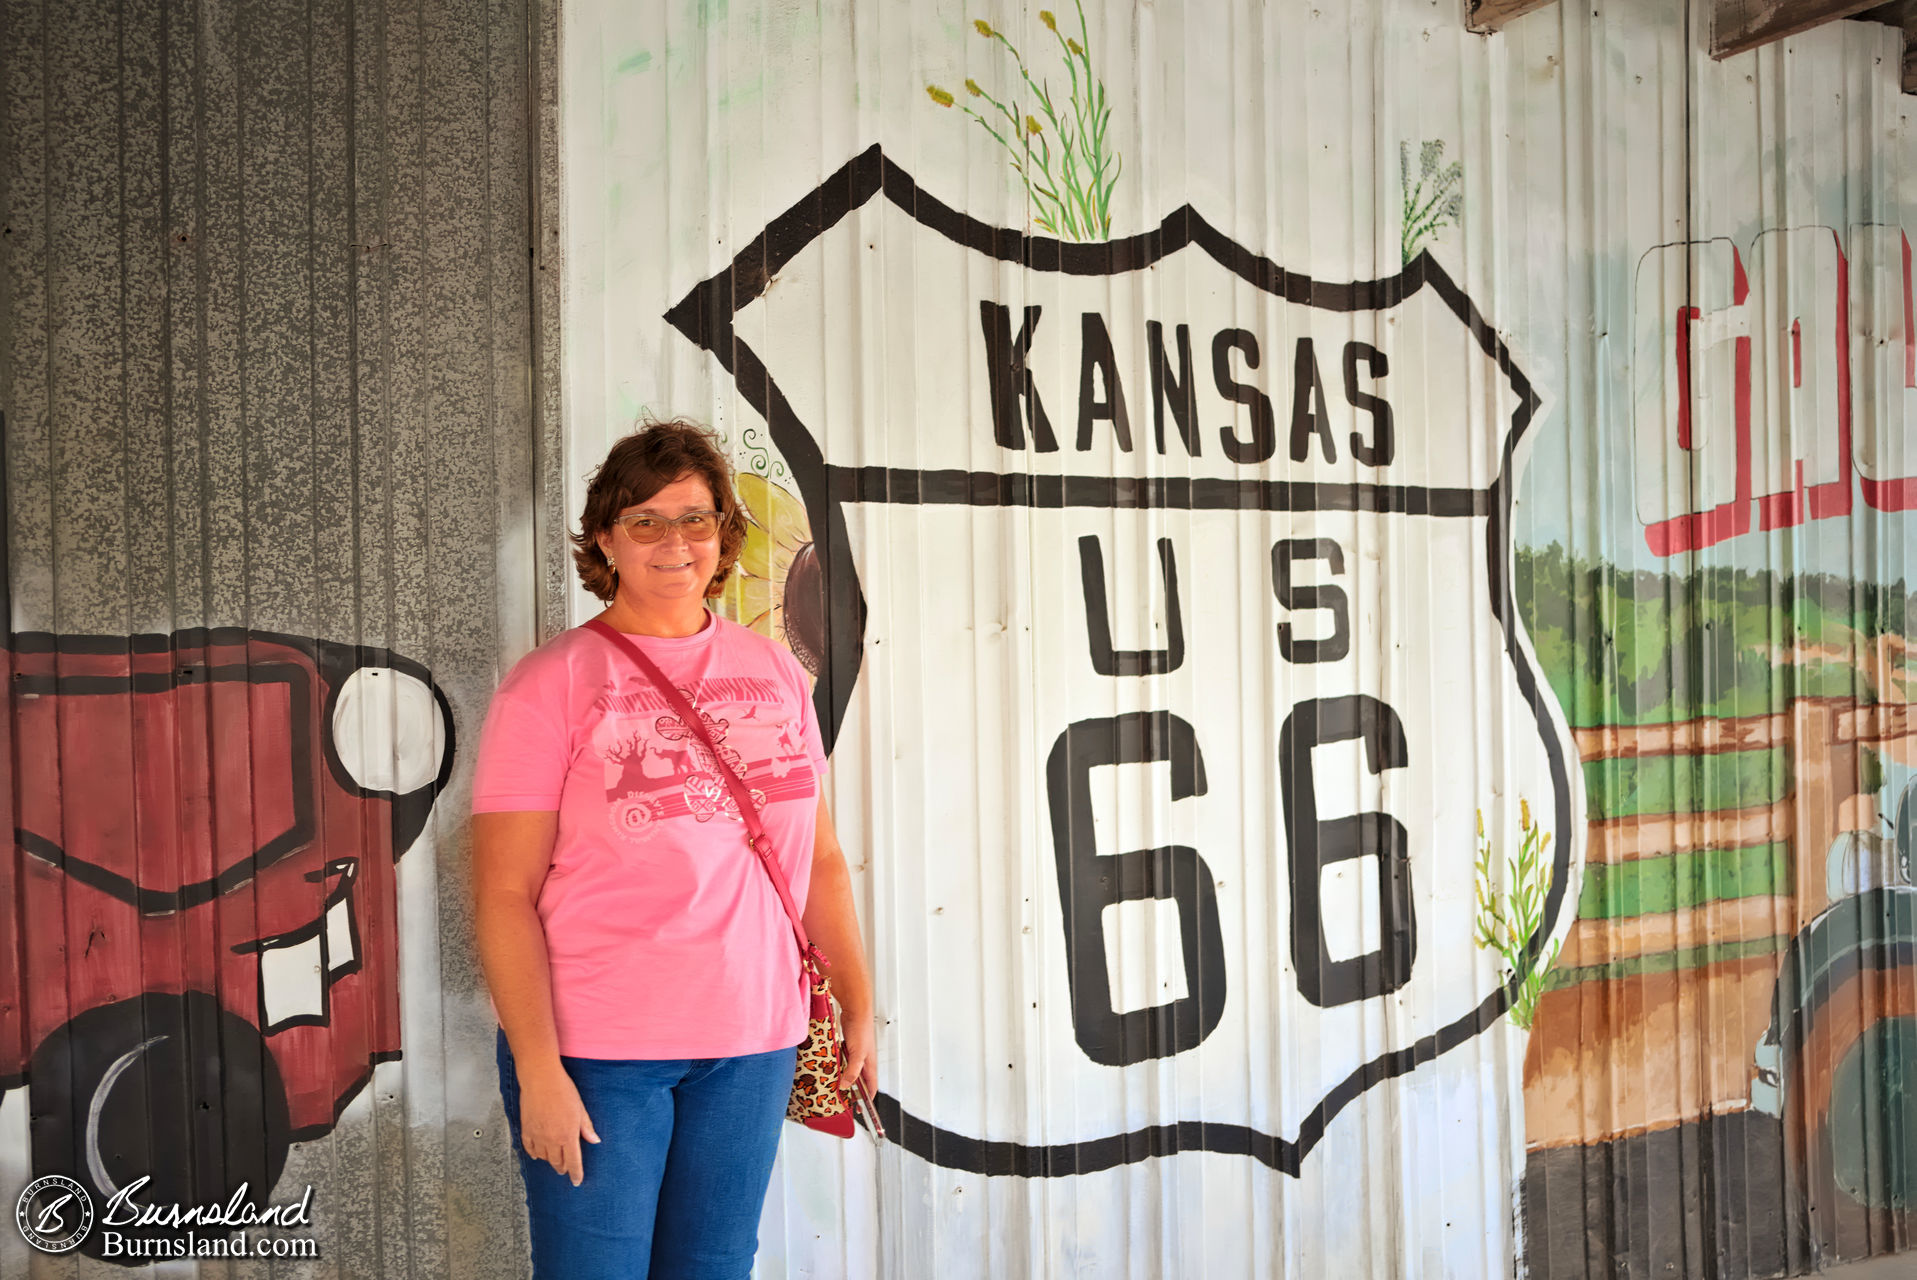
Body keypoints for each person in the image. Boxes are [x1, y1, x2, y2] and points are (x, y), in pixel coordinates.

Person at [471, 418, 875, 1279]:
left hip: (753, 1043)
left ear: (724, 537)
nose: (672, 542)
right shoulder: (551, 684)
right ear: (606, 540)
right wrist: (539, 1069)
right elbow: (504, 894)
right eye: (644, 520)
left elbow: (820, 859)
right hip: (599, 1051)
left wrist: (857, 1000)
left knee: (715, 1266)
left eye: (694, 519)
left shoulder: (773, 673)